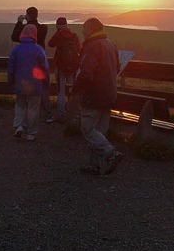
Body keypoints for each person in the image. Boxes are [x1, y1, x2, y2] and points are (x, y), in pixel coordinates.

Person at [71, 17, 123, 175]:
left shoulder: (92, 46)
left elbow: (86, 73)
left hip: (94, 96)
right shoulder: (111, 44)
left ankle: (111, 153)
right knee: (98, 131)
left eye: (84, 28)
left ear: (92, 29)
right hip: (109, 94)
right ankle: (93, 165)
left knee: (88, 129)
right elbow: (118, 67)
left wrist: (75, 89)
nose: (82, 31)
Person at [8, 24, 49, 141]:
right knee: (33, 108)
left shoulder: (16, 49)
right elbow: (45, 68)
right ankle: (31, 133)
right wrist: (46, 82)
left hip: (20, 83)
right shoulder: (39, 49)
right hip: (35, 84)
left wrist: (10, 81)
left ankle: (19, 125)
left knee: (20, 105)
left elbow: (11, 66)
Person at [11, 6, 52, 122]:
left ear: (27, 15)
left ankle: (23, 118)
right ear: (37, 15)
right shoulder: (44, 28)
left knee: (25, 88)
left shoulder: (24, 29)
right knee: (43, 88)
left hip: (26, 63)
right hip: (39, 62)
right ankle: (48, 115)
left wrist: (19, 22)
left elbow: (14, 37)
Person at [48, 17, 81, 122]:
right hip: (73, 68)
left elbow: (50, 44)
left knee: (60, 91)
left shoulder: (59, 36)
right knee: (72, 91)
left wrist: (57, 32)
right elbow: (79, 49)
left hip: (60, 67)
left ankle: (61, 114)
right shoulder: (74, 36)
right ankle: (72, 114)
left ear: (57, 26)